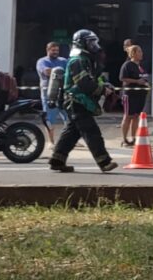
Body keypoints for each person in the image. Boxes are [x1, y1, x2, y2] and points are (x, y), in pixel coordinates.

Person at [49, 29, 118, 174]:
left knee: (71, 133)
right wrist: (102, 90)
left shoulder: (86, 60)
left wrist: (105, 85)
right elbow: (84, 83)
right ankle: (104, 162)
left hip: (81, 102)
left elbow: (95, 78)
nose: (94, 45)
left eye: (94, 42)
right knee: (92, 132)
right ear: (82, 43)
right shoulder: (77, 61)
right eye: (91, 42)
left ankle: (57, 161)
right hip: (76, 102)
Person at [36, 42, 69, 145]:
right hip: (49, 92)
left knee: (69, 117)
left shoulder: (63, 61)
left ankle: (69, 140)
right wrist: (60, 72)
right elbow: (47, 72)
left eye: (57, 50)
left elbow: (70, 72)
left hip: (63, 91)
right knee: (50, 118)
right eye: (53, 50)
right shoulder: (42, 61)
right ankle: (51, 142)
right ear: (48, 50)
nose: (55, 52)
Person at [119, 45, 149, 147]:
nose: (141, 53)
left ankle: (134, 138)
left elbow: (144, 78)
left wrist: (146, 83)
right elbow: (122, 78)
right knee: (128, 116)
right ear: (133, 53)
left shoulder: (141, 66)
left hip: (140, 95)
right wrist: (136, 81)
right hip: (130, 95)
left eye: (141, 51)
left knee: (136, 116)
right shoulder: (127, 65)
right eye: (139, 51)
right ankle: (124, 139)